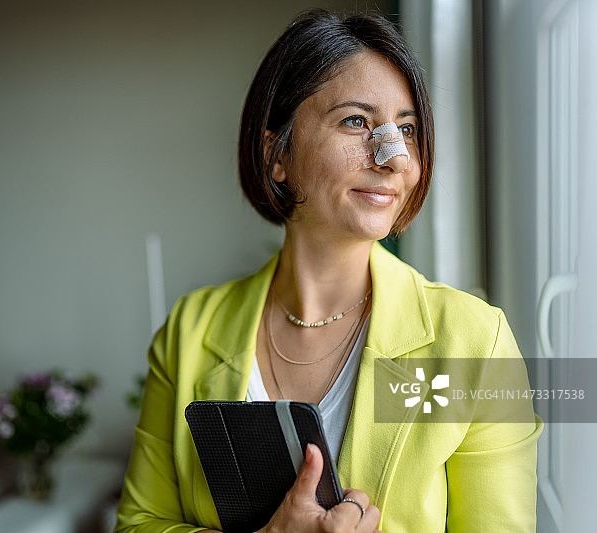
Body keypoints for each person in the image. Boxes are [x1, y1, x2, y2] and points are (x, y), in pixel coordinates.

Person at [115, 10, 542, 533]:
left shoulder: (475, 342)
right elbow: (138, 524)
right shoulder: (189, 330)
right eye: (356, 121)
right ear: (277, 153)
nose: (394, 158)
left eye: (406, 129)